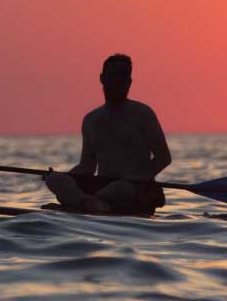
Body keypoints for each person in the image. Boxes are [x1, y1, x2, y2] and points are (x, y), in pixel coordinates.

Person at [43, 54, 172, 216]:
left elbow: (163, 158)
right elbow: (87, 167)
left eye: (123, 76)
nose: (118, 80)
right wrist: (61, 176)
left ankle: (84, 204)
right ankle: (92, 203)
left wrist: (136, 176)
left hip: (132, 188)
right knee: (55, 180)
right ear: (102, 79)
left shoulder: (143, 114)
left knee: (120, 189)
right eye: (113, 75)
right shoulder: (91, 120)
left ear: (129, 81)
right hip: (100, 185)